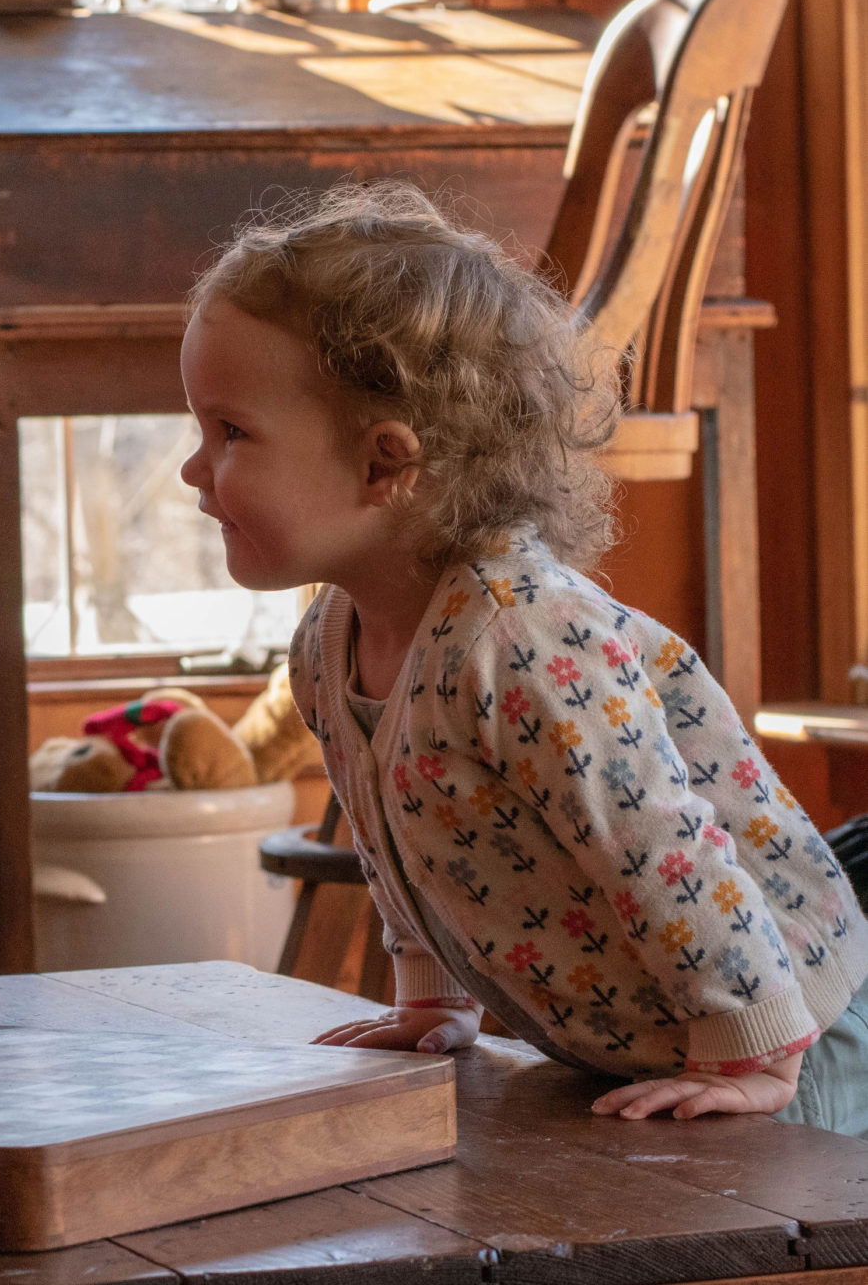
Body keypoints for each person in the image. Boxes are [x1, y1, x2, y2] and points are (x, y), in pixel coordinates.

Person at [176, 181, 868, 1131]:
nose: (192, 469)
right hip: (647, 1045)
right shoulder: (327, 645)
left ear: (384, 463)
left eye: (229, 433)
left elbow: (659, 842)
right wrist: (431, 995)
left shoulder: (522, 637)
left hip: (785, 1034)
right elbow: (400, 836)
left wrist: (757, 1048)